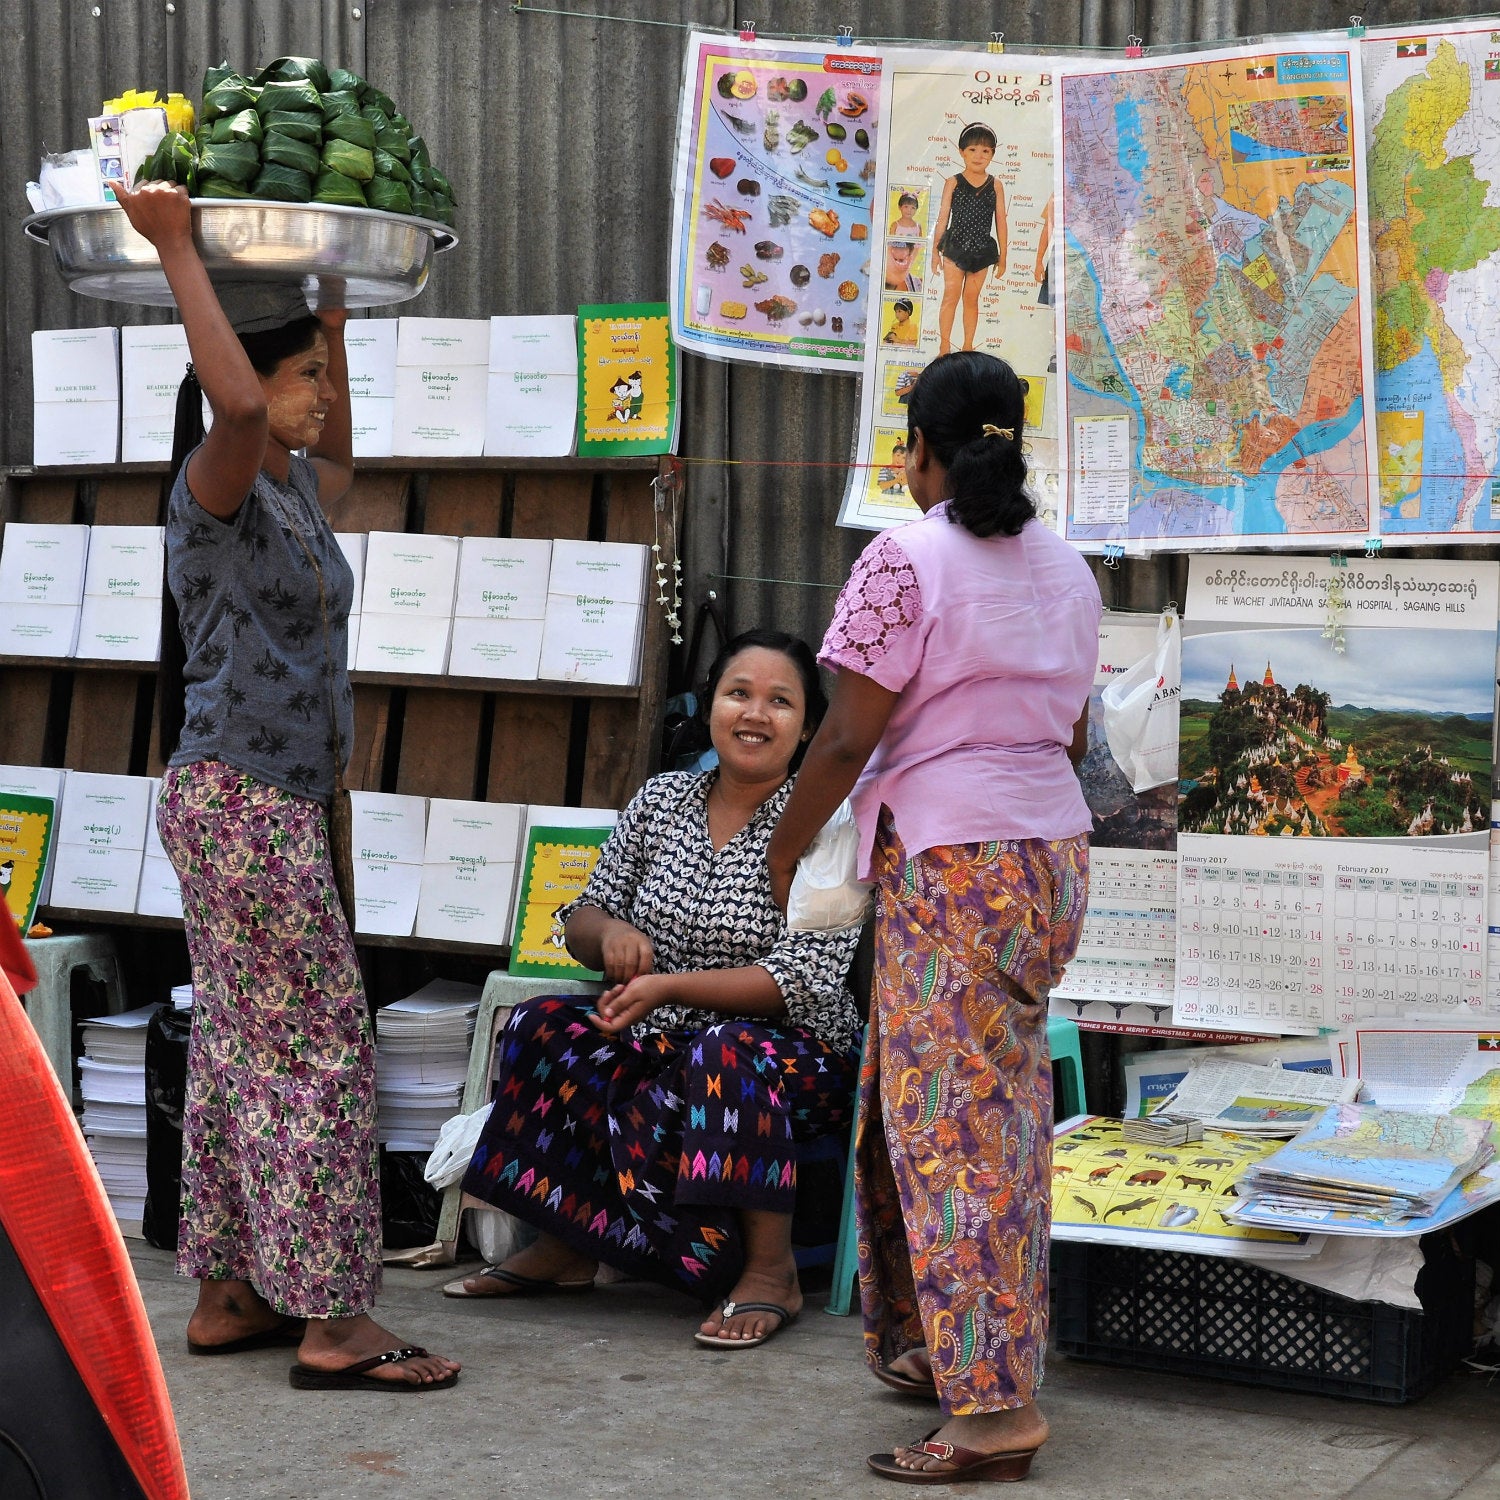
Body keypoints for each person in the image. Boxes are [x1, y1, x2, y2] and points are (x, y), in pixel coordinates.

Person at [110, 177, 459, 1393]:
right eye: (303, 373)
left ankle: (230, 1290)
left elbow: (339, 448)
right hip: (243, 803)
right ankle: (333, 1318)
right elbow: (247, 398)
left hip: (261, 804)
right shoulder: (216, 484)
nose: (314, 397)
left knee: (245, 1051)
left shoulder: (298, 493)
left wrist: (339, 322)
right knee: (317, 1051)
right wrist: (175, 251)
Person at [767, 352, 1100, 1483]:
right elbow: (1065, 733)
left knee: (953, 1137)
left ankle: (994, 1415)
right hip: (1047, 863)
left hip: (954, 867)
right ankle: (938, 1349)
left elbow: (847, 738)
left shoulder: (901, 560)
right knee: (977, 1123)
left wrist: (777, 845)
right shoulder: (1068, 566)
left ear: (921, 450)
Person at [450, 630, 862, 1349]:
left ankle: (769, 1271)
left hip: (795, 1052)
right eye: (739, 694)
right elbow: (581, 914)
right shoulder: (662, 800)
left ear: (808, 727)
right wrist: (607, 934)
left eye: (780, 701)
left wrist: (668, 981)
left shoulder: (832, 823)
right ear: (710, 708)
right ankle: (570, 1240)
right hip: (660, 1032)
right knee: (542, 1023)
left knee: (727, 1053)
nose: (755, 714)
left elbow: (801, 977)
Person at [931, 123, 1007, 355]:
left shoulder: (996, 185)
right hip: (954, 248)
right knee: (950, 295)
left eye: (986, 151)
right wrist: (935, 252)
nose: (978, 156)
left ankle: (967, 346)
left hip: (982, 251)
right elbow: (942, 218)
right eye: (973, 149)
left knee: (971, 299)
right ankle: (944, 345)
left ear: (993, 154)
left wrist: (1003, 257)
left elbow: (1001, 221)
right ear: (962, 152)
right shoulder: (952, 182)